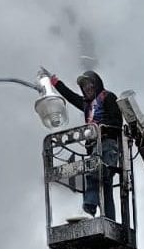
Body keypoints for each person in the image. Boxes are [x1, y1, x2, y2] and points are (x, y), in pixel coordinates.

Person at [47, 69, 122, 221]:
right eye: (85, 87)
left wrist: (102, 127)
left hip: (108, 144)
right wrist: (55, 83)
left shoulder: (108, 97)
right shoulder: (87, 105)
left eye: (90, 85)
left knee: (93, 172)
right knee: (104, 185)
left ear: (96, 85)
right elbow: (70, 96)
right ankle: (109, 220)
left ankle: (89, 208)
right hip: (95, 146)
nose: (87, 89)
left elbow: (117, 122)